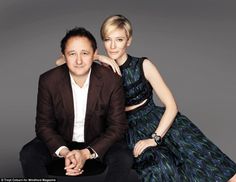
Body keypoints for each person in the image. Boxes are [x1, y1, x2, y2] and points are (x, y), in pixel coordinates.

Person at [55, 16, 236, 181]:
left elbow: (171, 106)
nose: (112, 46)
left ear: (128, 41)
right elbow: (60, 62)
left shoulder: (143, 65)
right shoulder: (96, 69)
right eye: (108, 40)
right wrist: (97, 57)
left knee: (203, 158)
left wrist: (154, 138)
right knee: (162, 167)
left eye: (119, 40)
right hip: (128, 130)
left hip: (158, 121)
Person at [20, 27, 134, 181]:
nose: (79, 60)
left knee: (123, 156)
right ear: (64, 56)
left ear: (94, 55)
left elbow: (118, 127)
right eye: (72, 54)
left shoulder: (111, 80)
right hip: (61, 141)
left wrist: (85, 153)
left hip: (98, 142)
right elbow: (43, 125)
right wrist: (66, 152)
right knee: (29, 154)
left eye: (85, 53)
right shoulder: (48, 80)